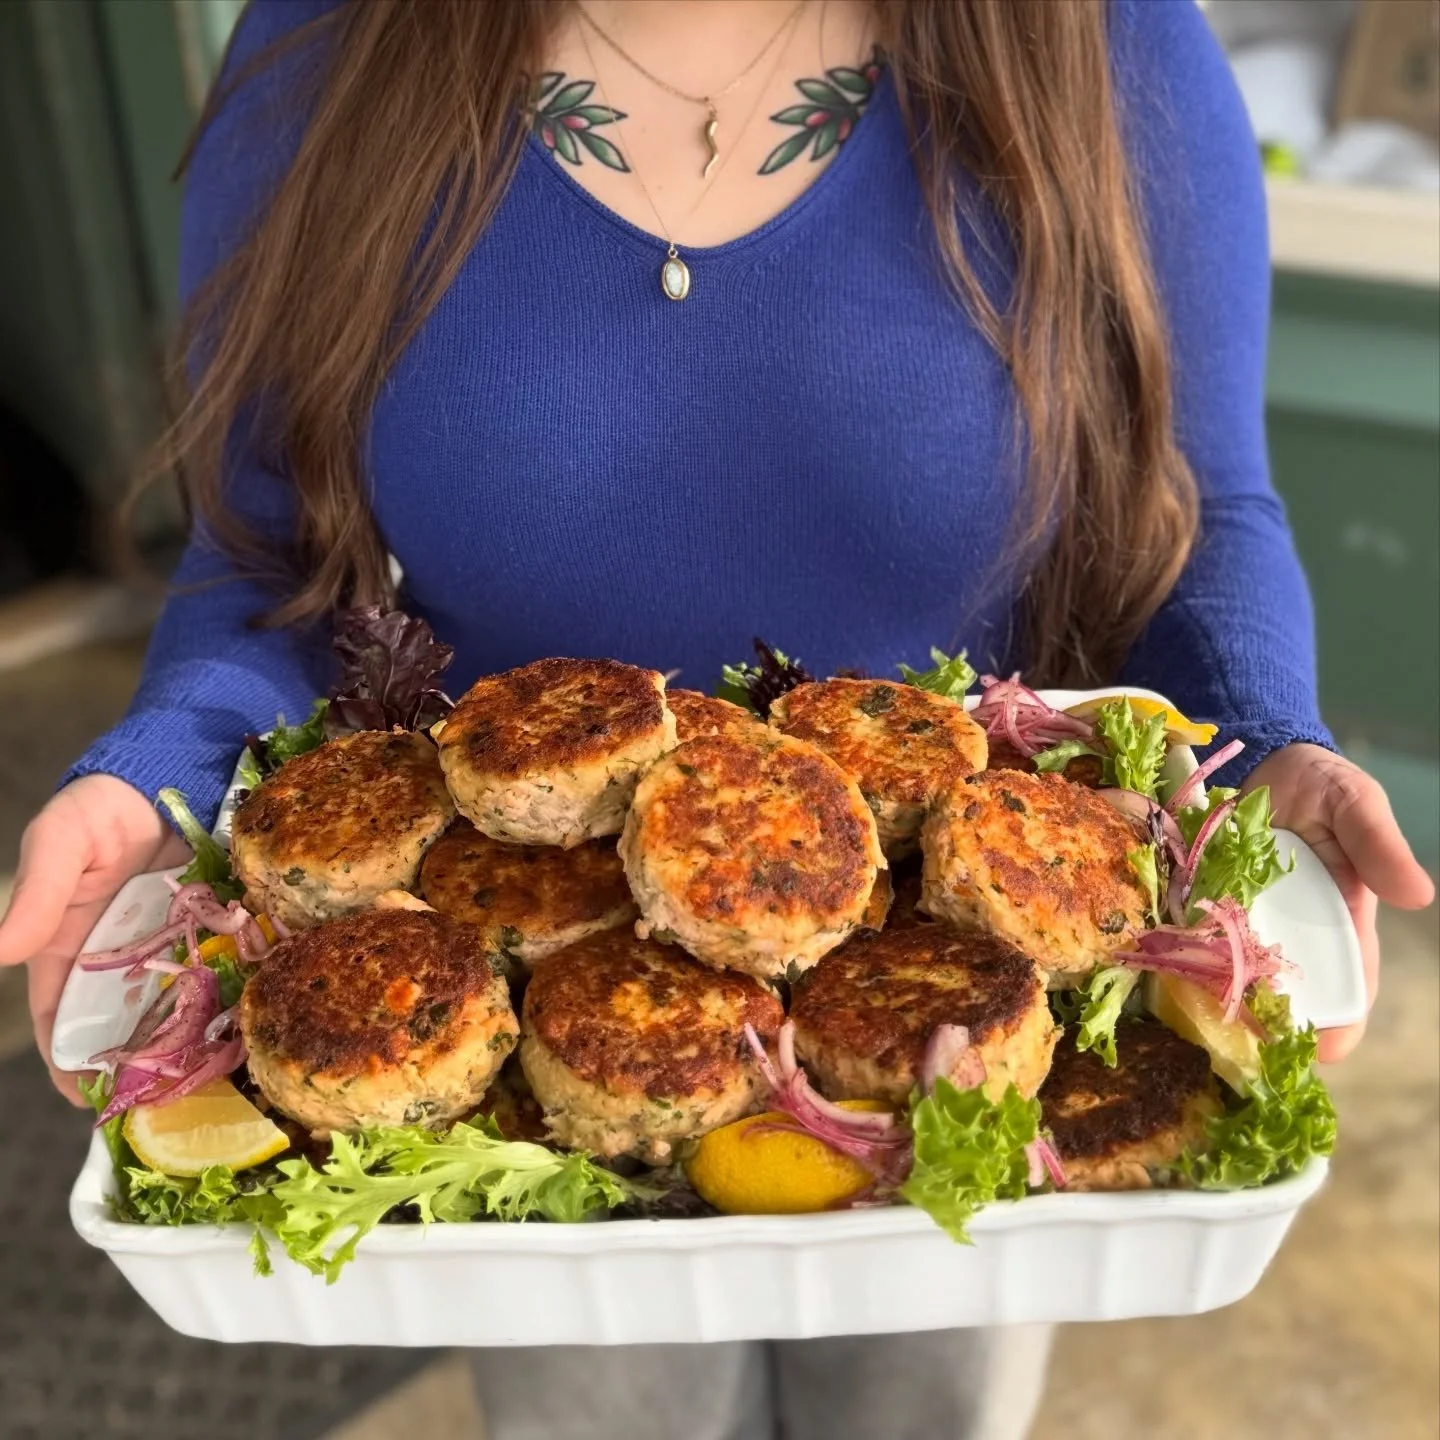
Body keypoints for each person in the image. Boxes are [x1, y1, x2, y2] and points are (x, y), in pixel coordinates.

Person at [1, 2, 1432, 1437]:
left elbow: (1208, 507)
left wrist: (1264, 733)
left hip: (967, 967)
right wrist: (155, 770)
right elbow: (260, 565)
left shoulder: (1103, 39)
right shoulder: (323, 46)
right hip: (514, 959)